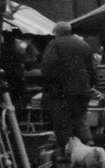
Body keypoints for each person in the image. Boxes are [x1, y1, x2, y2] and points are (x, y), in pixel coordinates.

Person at [40, 21, 97, 156]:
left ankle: (67, 151)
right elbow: (92, 68)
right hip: (82, 90)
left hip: (61, 91)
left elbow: (47, 67)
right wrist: (91, 85)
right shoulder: (83, 44)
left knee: (62, 122)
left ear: (57, 32)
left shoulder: (54, 44)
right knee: (80, 118)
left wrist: (48, 85)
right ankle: (89, 143)